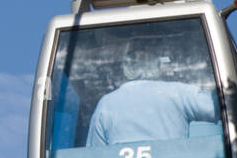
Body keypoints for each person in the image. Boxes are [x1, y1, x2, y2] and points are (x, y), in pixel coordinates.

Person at [85, 39, 219, 146]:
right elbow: (221, 107)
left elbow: (95, 157)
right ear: (158, 66)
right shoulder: (177, 93)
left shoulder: (107, 104)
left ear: (126, 68)